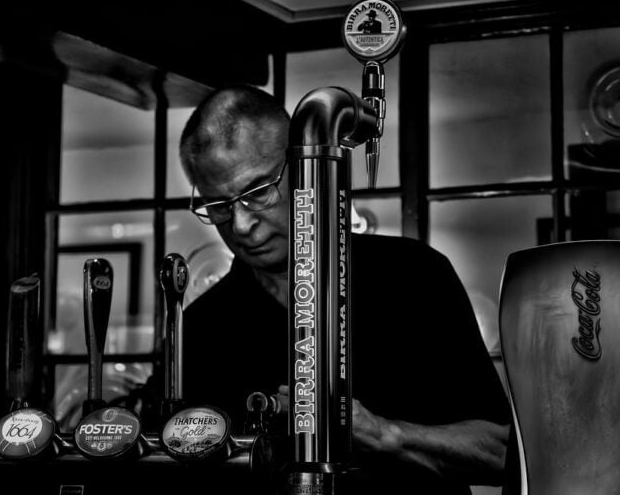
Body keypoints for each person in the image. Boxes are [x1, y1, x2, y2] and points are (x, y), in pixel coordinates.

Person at [178, 85, 511, 494]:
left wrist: (385, 435)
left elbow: (501, 454)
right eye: (219, 205)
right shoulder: (202, 325)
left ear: (303, 167)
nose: (242, 225)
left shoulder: (414, 275)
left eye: (259, 192)